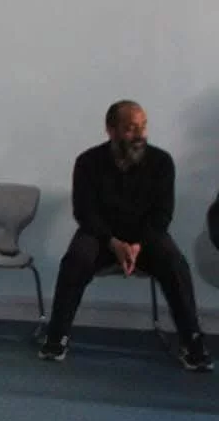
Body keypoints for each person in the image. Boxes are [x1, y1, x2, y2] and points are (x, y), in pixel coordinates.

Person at [39, 101, 211, 371]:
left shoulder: (161, 162)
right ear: (111, 130)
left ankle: (192, 342)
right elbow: (84, 212)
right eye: (131, 129)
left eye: (143, 127)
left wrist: (137, 245)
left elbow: (162, 214)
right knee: (76, 260)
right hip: (101, 237)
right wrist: (113, 242)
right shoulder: (88, 162)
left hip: (146, 239)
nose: (140, 135)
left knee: (174, 263)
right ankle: (56, 336)